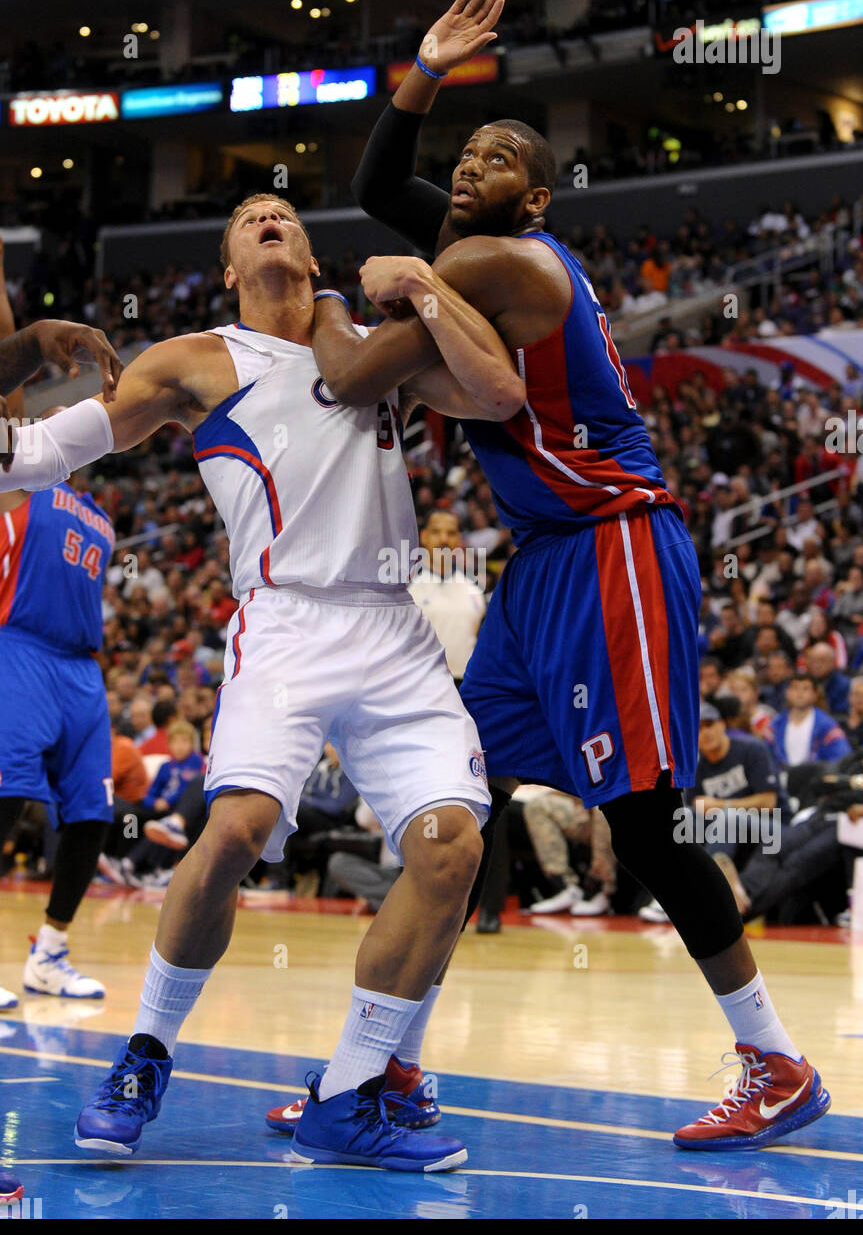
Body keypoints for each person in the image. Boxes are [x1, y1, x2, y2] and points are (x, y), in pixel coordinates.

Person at [314, 0, 831, 1151]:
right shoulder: (463, 253)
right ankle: (389, 1067)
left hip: (614, 546)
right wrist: (428, 69)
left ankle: (774, 1060)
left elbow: (352, 373)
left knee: (643, 819)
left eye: (495, 156)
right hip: (542, 562)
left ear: (533, 196)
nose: (468, 161)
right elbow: (370, 187)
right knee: (454, 796)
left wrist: (373, 294)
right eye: (466, 149)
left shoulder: (513, 263)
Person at [1, 191, 524, 1170]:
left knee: (452, 846)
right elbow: (46, 451)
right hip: (282, 624)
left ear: (314, 250)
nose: (270, 214)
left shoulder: (373, 346)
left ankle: (348, 1089)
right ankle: (145, 1054)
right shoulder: (189, 360)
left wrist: (426, 286)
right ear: (229, 263)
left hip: (391, 628)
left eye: (285, 208)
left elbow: (498, 391)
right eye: (249, 214)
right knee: (235, 826)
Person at [0, 312, 122, 1012]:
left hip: (82, 670)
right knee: (8, 801)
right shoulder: (15, 478)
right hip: (18, 648)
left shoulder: (97, 511)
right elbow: (5, 390)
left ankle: (49, 954)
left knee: (91, 815)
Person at [408, 508, 485, 682]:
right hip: (421, 684)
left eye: (450, 533)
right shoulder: (407, 588)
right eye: (436, 532)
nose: (443, 539)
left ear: (458, 538)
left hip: (465, 686)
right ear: (424, 536)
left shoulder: (474, 591)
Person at [770, 673, 851, 767]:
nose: (799, 693)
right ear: (787, 693)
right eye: (795, 688)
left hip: (815, 778)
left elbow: (842, 755)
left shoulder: (827, 726)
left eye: (805, 689)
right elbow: (767, 756)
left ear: (815, 695)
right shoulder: (776, 724)